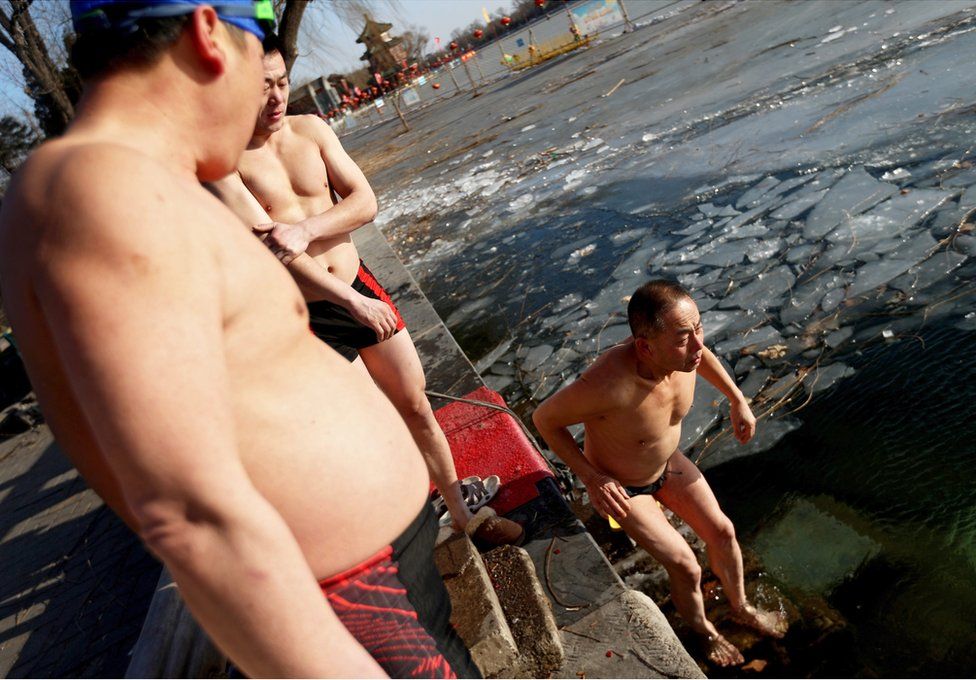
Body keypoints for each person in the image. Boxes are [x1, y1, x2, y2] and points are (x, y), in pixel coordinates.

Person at [0, 2, 479, 677]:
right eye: (261, 60)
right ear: (208, 33)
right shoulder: (98, 189)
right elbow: (189, 516)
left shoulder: (139, 180)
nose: (264, 92)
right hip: (354, 594)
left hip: (370, 575)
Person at [209, 39, 522, 546]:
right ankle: (407, 528)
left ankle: (464, 513)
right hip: (308, 314)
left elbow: (366, 201)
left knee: (415, 404)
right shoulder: (225, 163)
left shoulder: (311, 130)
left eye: (282, 82)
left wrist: (307, 231)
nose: (276, 96)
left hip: (360, 284)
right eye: (262, 86)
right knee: (372, 427)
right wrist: (347, 299)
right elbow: (273, 250)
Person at [532, 280, 787, 667]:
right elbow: (544, 420)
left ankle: (741, 606)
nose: (698, 344)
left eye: (698, 328)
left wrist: (737, 399)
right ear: (646, 346)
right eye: (684, 337)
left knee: (723, 532)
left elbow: (707, 356)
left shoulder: (687, 355)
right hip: (625, 488)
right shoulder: (608, 384)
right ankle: (704, 632)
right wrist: (591, 478)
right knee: (685, 564)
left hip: (667, 464)